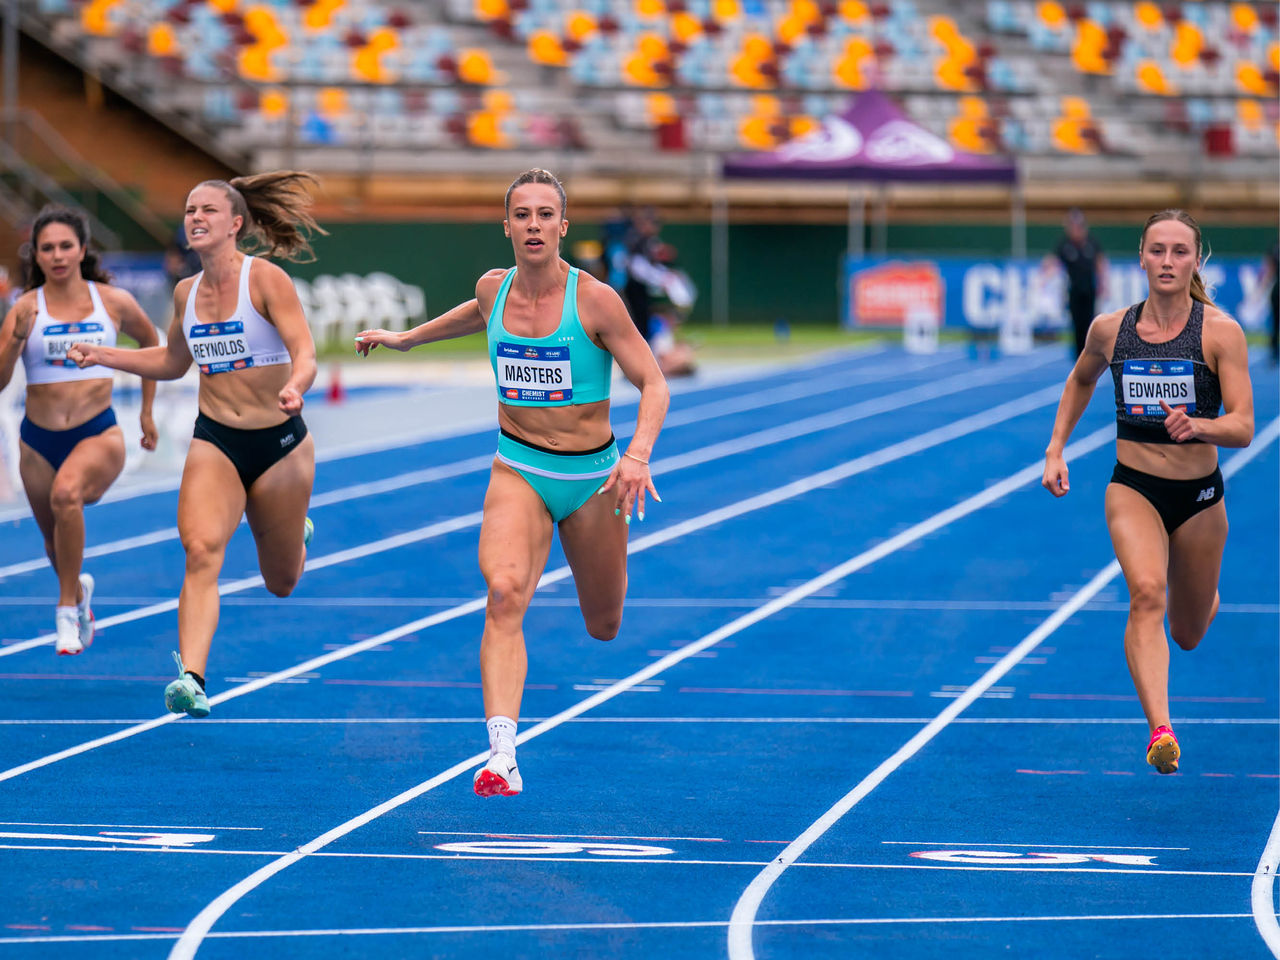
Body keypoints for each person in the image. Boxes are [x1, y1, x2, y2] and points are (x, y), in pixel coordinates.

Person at [354, 168, 669, 798]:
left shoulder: (596, 301)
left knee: (603, 623)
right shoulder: (493, 288)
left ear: (562, 226)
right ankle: (503, 753)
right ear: (507, 226)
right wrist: (408, 340)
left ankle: (519, 728)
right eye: (521, 215)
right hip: (518, 466)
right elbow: (477, 311)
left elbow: (654, 383)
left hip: (591, 479)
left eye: (544, 215)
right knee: (502, 593)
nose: (533, 225)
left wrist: (637, 455)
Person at [67, 172, 321, 717]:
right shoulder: (186, 292)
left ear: (234, 224)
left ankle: (294, 532)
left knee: (281, 581)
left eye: (207, 210)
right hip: (217, 440)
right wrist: (104, 355)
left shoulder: (265, 281)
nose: (196, 218)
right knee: (201, 550)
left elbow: (305, 351)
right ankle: (193, 678)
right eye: (188, 211)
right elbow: (174, 363)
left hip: (279, 443)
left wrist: (297, 387)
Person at [1042, 209, 1254, 775]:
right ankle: (1161, 729)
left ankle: (1205, 598)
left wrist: (1199, 425)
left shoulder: (1220, 332)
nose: (1167, 261)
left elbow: (1244, 425)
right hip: (1132, 485)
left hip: (1199, 498)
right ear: (1140, 256)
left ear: (1195, 260)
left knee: (1186, 632)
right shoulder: (1110, 330)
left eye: (1179, 251)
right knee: (1145, 593)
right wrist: (1056, 448)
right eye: (1157, 250)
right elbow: (1081, 378)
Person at [0, 204, 159, 654]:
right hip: (36, 439)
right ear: (36, 255)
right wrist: (14, 339)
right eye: (47, 248)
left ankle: (65, 613)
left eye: (65, 246)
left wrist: (146, 411)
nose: (57, 255)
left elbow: (151, 345)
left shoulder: (112, 302)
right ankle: (80, 596)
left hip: (98, 432)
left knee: (67, 494)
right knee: (54, 543)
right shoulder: (26, 308)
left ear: (83, 249)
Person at [1049, 208, 1109, 358]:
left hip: (1089, 290)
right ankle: (1078, 355)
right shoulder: (1065, 245)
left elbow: (1100, 263)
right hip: (1074, 290)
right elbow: (1053, 262)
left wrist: (1104, 284)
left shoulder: (1091, 243)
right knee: (1076, 323)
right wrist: (1043, 279)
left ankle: (1090, 352)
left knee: (1090, 322)